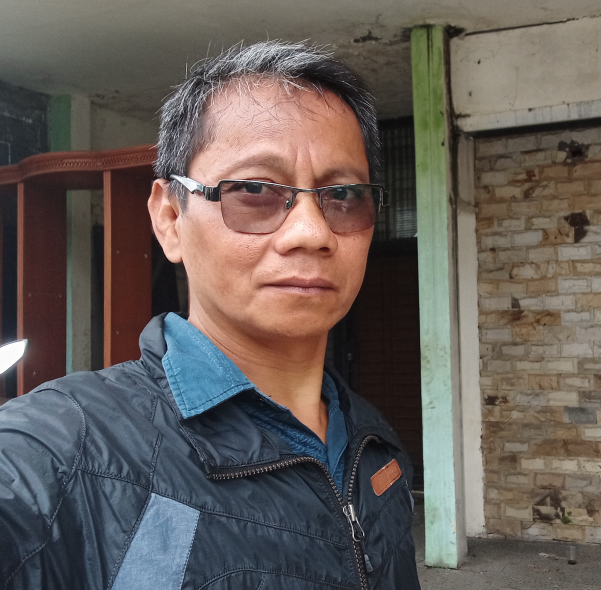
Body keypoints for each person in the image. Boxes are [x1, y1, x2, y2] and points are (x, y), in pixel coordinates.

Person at [0, 41, 421, 590]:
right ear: (170, 218)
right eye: (254, 189)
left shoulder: (374, 443)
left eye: (342, 195)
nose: (312, 232)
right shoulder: (64, 451)